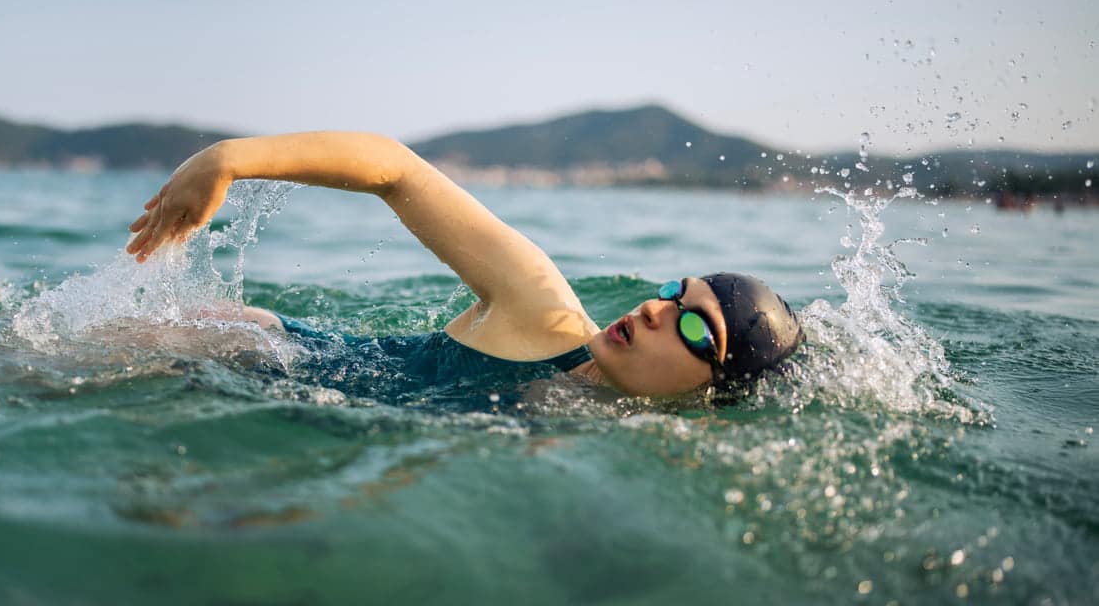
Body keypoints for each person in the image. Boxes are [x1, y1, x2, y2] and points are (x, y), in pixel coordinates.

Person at [126, 132, 803, 401]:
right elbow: (397, 171)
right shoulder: (543, 311)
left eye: (694, 328)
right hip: (245, 352)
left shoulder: (641, 447)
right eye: (674, 293)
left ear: (715, 393)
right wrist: (228, 160)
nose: (655, 310)